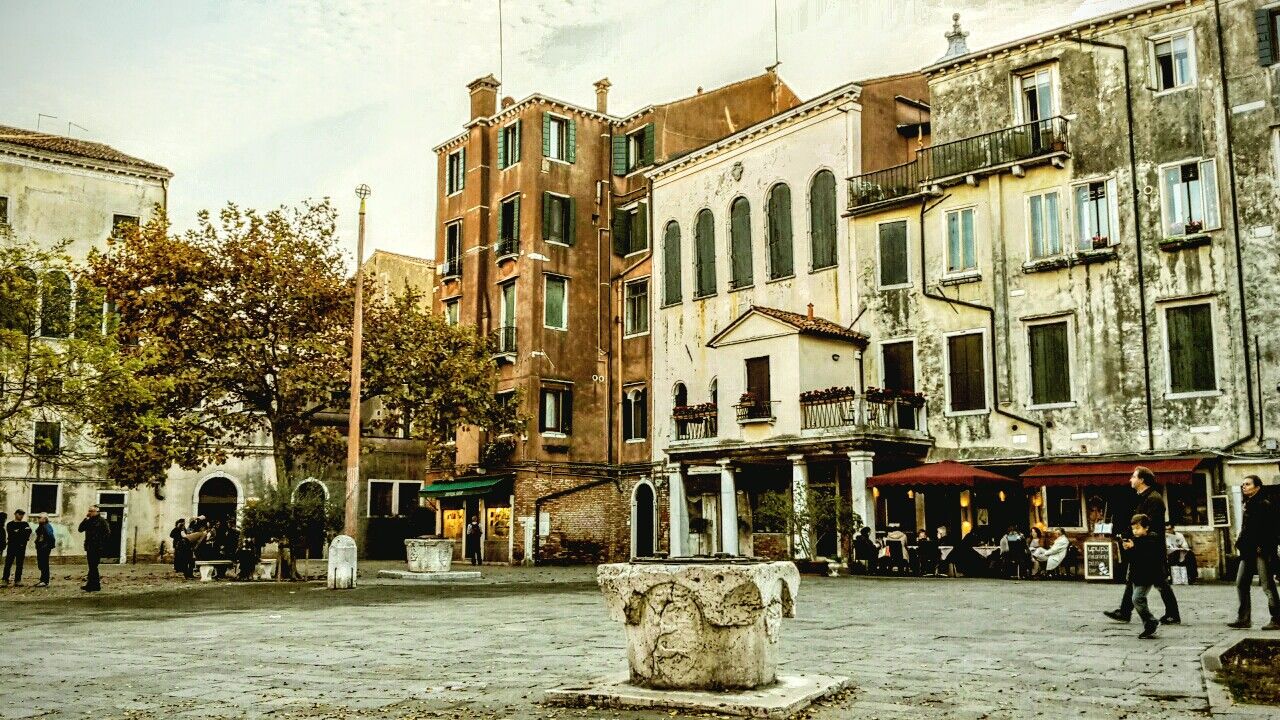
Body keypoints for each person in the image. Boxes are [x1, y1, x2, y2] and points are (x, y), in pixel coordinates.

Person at [1105, 467, 1181, 624]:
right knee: (1135, 577)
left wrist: (1136, 541)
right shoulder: (1144, 498)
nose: (1130, 479)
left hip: (1151, 549)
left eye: (1133, 476)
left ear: (1142, 480)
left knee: (1160, 582)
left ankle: (1172, 614)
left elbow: (1149, 526)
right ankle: (1125, 611)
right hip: (1143, 547)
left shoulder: (1153, 499)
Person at [1228, 475, 1279, 630]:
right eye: (1243, 484)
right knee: (1241, 583)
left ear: (1257, 487)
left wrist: (1262, 547)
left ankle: (1277, 618)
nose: (1244, 487)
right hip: (1248, 551)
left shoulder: (1264, 504)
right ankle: (1243, 618)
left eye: (1248, 484)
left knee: (1267, 585)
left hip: (1261, 551)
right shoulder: (1249, 504)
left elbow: (1271, 530)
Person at [1123, 513, 1165, 639]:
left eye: (1138, 528)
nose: (1135, 531)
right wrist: (1128, 549)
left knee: (1137, 598)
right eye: (1133, 529)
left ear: (1146, 528)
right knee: (1138, 599)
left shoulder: (1152, 539)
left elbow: (1148, 556)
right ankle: (1149, 623)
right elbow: (1133, 558)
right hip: (1137, 574)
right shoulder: (1135, 540)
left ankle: (1151, 622)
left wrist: (1134, 547)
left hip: (1148, 575)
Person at [79, 505, 110, 592]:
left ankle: (95, 586)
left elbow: (107, 533)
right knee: (92, 566)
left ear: (97, 512)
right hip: (89, 546)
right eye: (89, 511)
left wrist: (100, 543)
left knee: (93, 566)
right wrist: (85, 519)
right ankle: (92, 584)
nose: (90, 512)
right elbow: (80, 529)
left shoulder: (101, 521)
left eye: (91, 511)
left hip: (97, 547)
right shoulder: (89, 521)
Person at [4, 510, 32, 585]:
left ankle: (17, 580)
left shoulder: (25, 523)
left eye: (23, 514)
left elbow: (29, 532)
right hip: (12, 546)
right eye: (20, 514)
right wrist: (21, 532)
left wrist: (18, 532)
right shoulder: (10, 524)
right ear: (15, 514)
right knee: (8, 563)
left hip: (21, 546)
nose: (21, 516)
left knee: (20, 564)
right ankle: (5, 579)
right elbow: (12, 534)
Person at [34, 514, 55, 587]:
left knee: (44, 564)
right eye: (38, 517)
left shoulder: (46, 526)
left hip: (44, 548)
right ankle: (43, 580)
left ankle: (44, 581)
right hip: (41, 547)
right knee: (41, 564)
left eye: (40, 517)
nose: (38, 519)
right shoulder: (42, 526)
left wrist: (48, 546)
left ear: (45, 519)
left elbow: (50, 536)